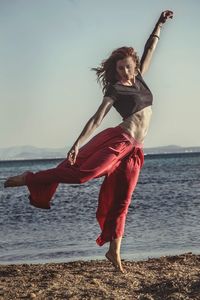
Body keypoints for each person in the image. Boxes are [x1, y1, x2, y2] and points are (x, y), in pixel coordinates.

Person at [4, 10, 173, 273]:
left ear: (135, 65)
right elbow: (96, 119)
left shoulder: (140, 79)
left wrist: (159, 25)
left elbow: (150, 48)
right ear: (115, 71)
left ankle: (113, 252)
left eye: (128, 66)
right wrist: (76, 144)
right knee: (84, 175)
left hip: (135, 151)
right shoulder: (115, 89)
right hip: (119, 140)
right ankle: (31, 178)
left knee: (122, 200)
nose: (125, 71)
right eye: (120, 68)